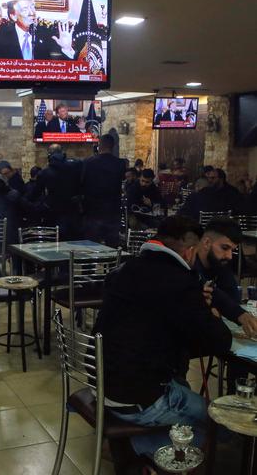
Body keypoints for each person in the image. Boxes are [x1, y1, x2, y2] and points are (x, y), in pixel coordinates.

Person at [93, 216, 232, 459]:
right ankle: (131, 447)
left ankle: (132, 440)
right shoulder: (180, 282)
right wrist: (211, 313)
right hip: (135, 396)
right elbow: (221, 341)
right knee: (220, 428)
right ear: (189, 251)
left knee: (187, 396)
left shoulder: (128, 268)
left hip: (101, 381)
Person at [194, 218, 257, 334]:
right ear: (206, 243)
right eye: (225, 248)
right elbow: (205, 290)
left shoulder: (217, 262)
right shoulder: (189, 262)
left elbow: (233, 297)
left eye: (232, 250)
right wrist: (238, 314)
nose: (229, 256)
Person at [0, 0, 75, 61]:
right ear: (13, 16)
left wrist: (67, 49)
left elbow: (62, 70)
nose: (32, 13)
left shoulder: (47, 34)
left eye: (32, 6)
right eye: (25, 9)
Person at [82, 134, 126, 246]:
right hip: (113, 212)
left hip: (93, 211)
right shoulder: (121, 164)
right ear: (113, 146)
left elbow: (82, 184)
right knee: (112, 248)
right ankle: (113, 264)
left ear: (99, 145)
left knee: (90, 248)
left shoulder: (88, 163)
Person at [33, 144, 83, 240]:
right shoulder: (77, 165)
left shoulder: (44, 173)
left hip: (54, 214)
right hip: (74, 213)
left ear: (49, 156)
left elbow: (35, 194)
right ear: (63, 153)